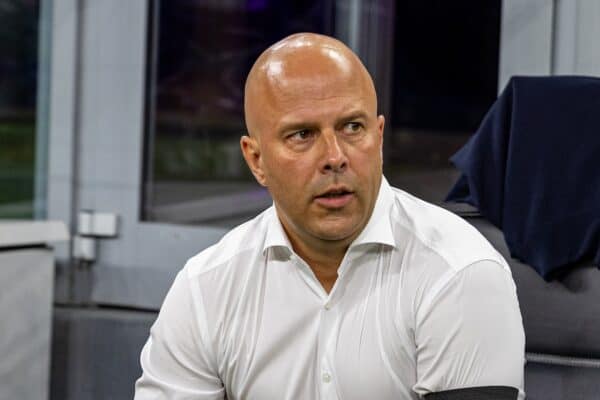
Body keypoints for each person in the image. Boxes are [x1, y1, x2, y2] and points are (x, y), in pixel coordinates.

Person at [134, 33, 525, 400]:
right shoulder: (207, 288)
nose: (335, 157)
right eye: (302, 135)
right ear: (256, 160)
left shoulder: (460, 273)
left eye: (352, 127)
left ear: (379, 136)